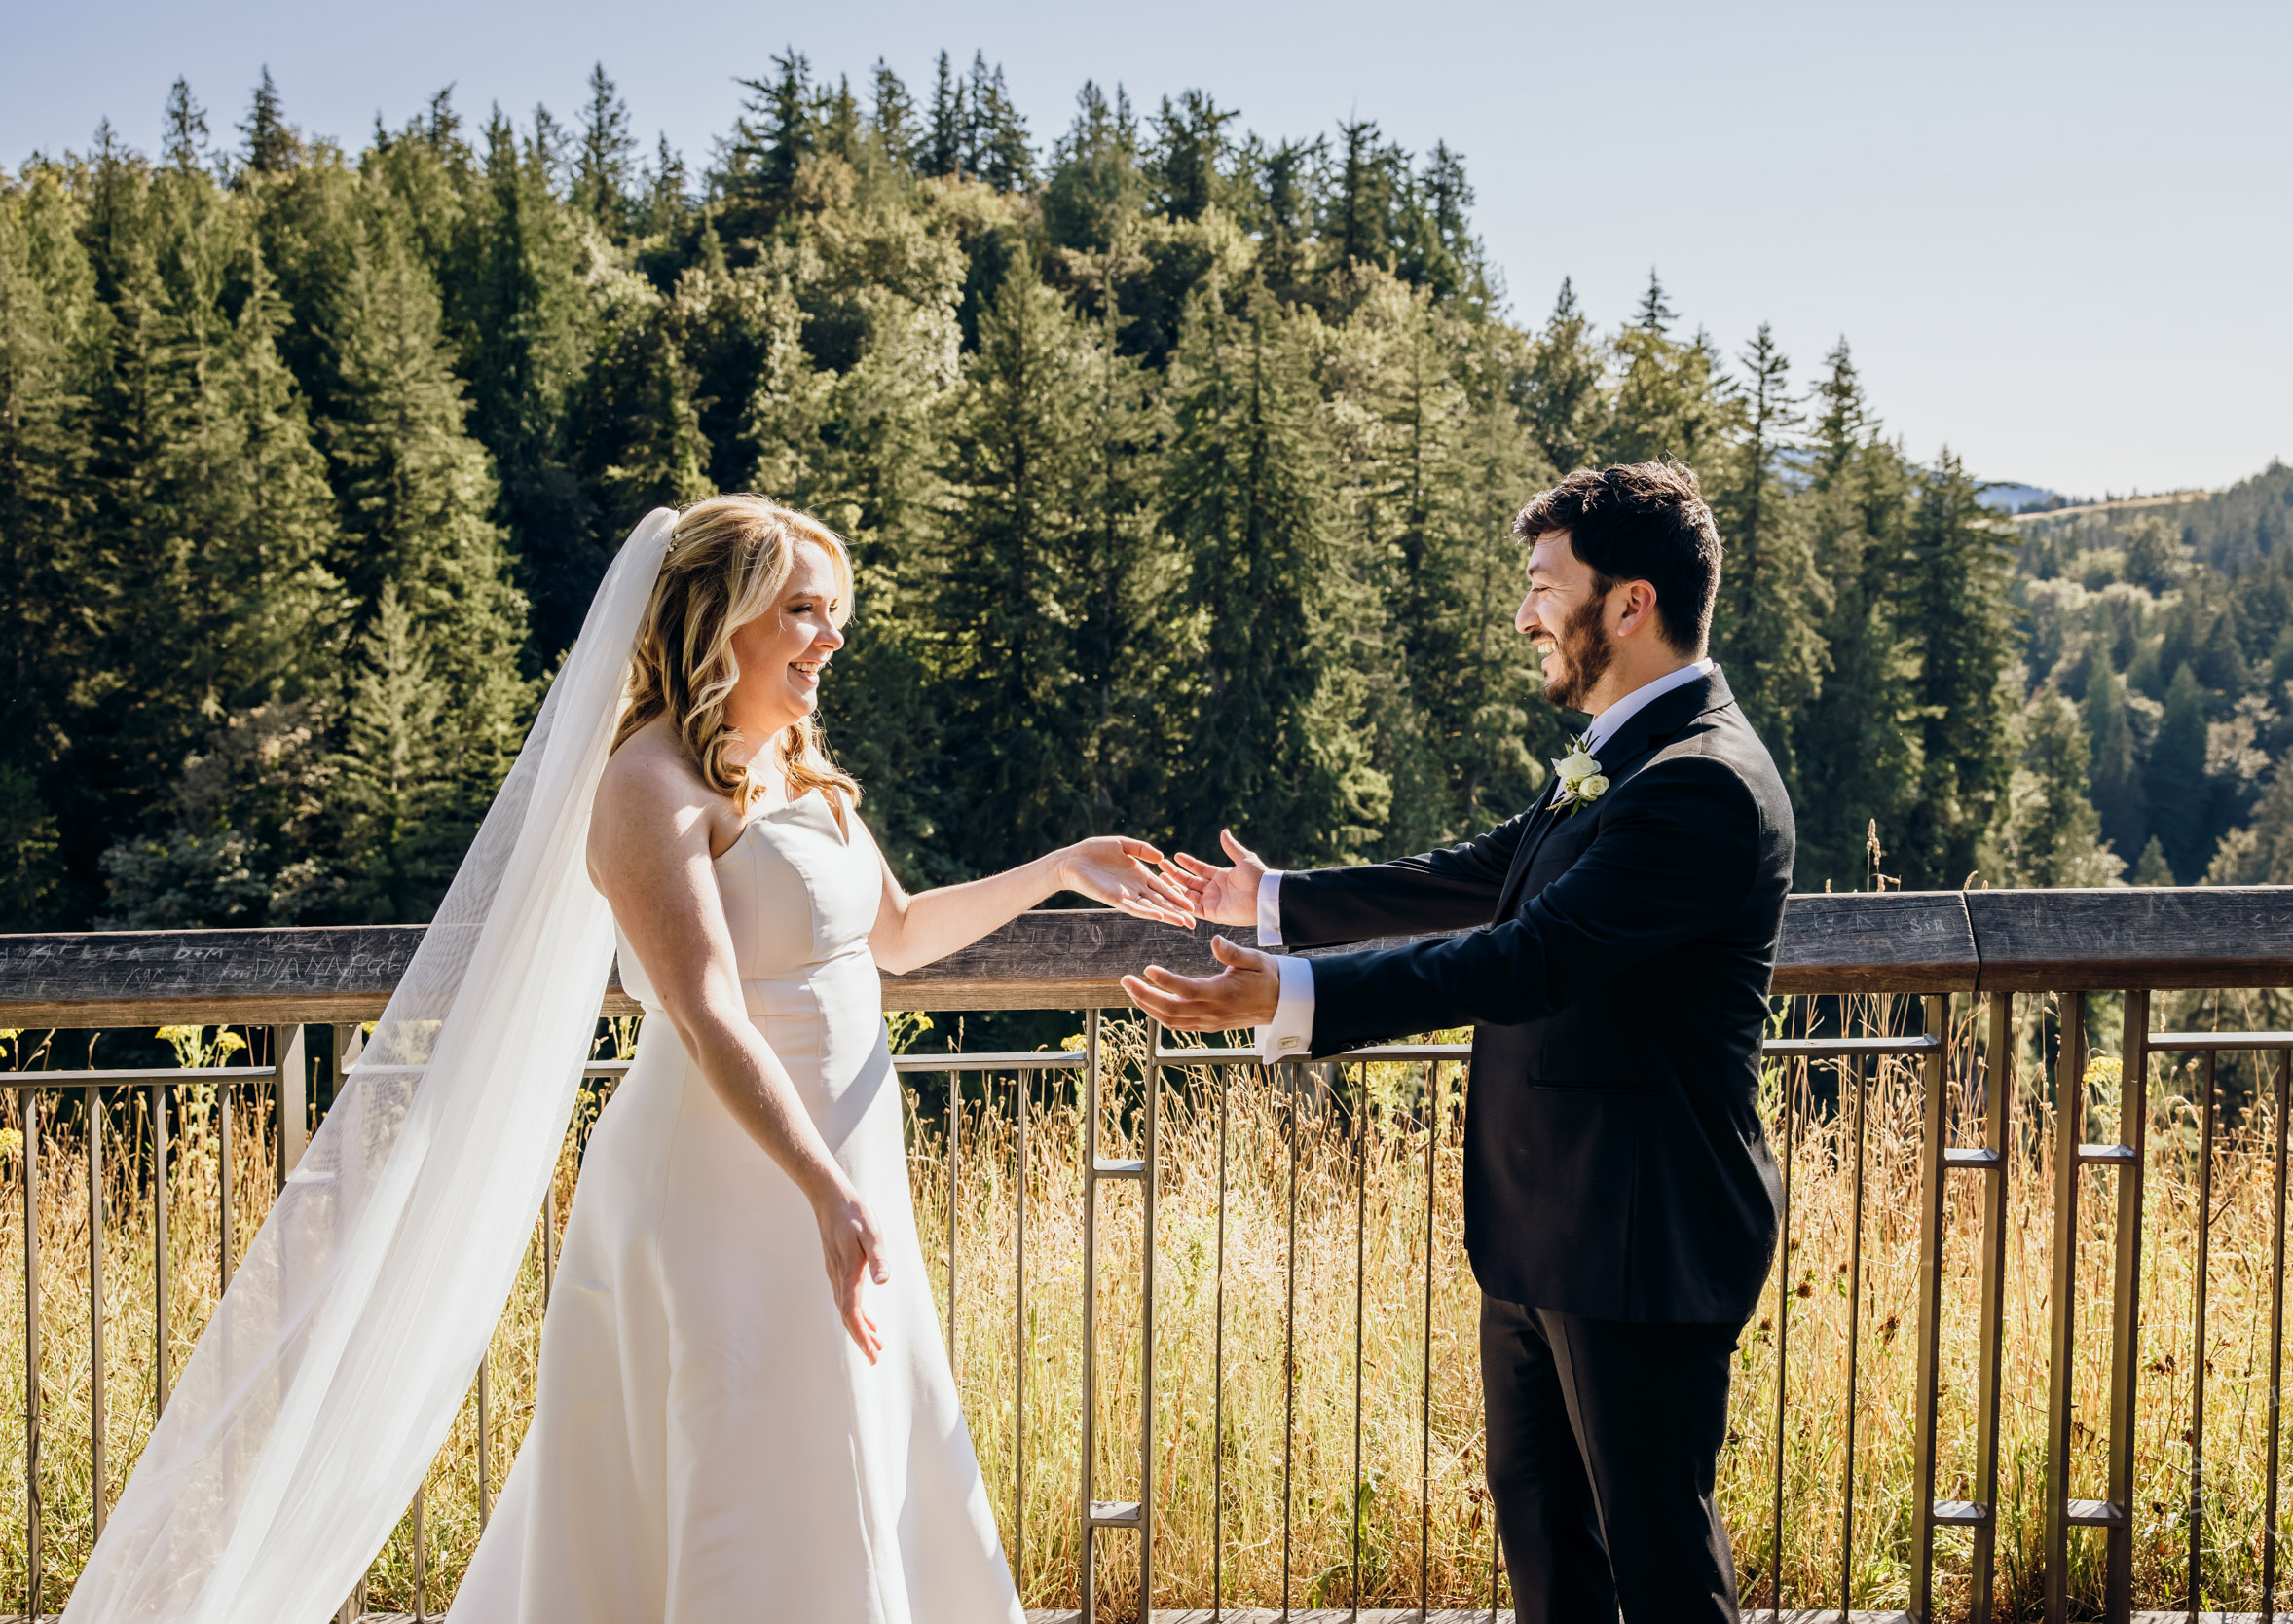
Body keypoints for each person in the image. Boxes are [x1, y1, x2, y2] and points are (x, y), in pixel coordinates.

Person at [446, 495, 1194, 1621]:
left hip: (834, 1168)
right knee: (747, 1454)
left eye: (834, 613)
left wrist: (1058, 867)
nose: (831, 640)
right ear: (720, 616)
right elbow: (703, 1016)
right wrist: (820, 1187)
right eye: (804, 611)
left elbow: (895, 936)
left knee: (847, 1439)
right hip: (720, 1178)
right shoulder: (647, 786)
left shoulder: (793, 766)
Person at [1127, 460, 1794, 1624]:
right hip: (1546, 1229)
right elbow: (1489, 875)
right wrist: (1275, 901)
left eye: (1543, 584)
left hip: (1640, 1234)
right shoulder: (1630, 750)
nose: (1524, 612)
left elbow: (1529, 957)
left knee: (1659, 1570)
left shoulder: (1701, 784)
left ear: (1628, 604)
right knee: (1545, 1548)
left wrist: (1296, 995)